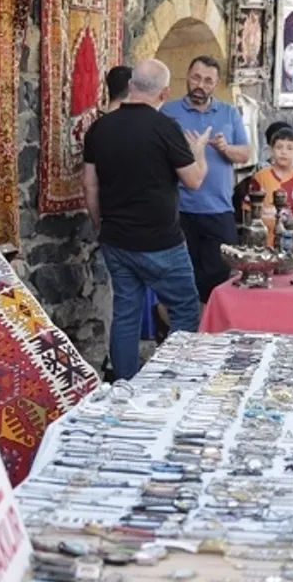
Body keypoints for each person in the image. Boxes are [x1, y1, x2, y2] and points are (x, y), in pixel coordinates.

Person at [82, 59, 210, 380]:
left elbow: (89, 185)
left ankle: (124, 384)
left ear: (131, 86)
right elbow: (194, 180)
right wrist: (199, 151)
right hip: (161, 242)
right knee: (185, 309)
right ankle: (173, 381)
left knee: (126, 313)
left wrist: (99, 224)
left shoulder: (99, 128)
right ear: (164, 93)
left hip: (116, 239)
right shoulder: (166, 128)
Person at [161, 56, 251, 304]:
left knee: (218, 275)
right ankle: (180, 323)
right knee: (180, 277)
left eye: (208, 81)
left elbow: (245, 153)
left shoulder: (229, 112)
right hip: (180, 209)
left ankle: (209, 322)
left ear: (216, 84)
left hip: (218, 208)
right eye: (196, 78)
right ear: (187, 77)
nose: (201, 85)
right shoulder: (168, 112)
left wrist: (225, 148)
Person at [245, 126, 293, 247]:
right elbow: (247, 209)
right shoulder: (260, 177)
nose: (284, 152)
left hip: (290, 243)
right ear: (271, 151)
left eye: (290, 148)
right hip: (262, 243)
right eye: (279, 147)